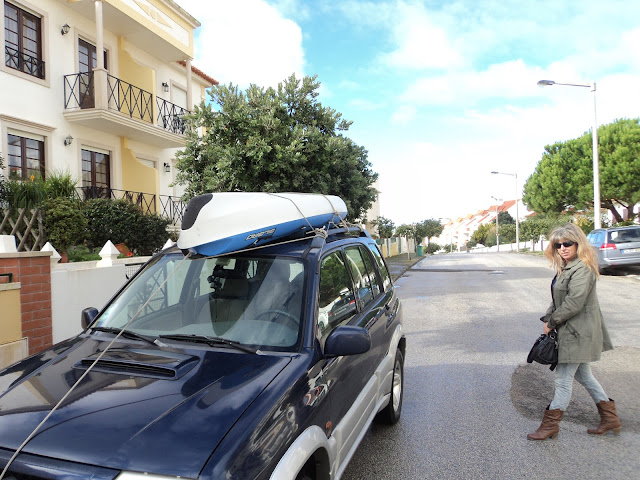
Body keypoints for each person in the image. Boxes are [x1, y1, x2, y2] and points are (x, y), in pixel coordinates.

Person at [527, 223, 621, 441]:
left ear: (578, 243)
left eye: (567, 243)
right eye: (558, 245)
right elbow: (558, 299)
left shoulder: (582, 269)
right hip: (570, 330)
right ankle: (610, 418)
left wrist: (552, 322)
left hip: (579, 332)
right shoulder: (567, 267)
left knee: (562, 379)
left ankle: (550, 425)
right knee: (584, 375)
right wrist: (548, 317)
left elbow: (573, 303)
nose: (562, 248)